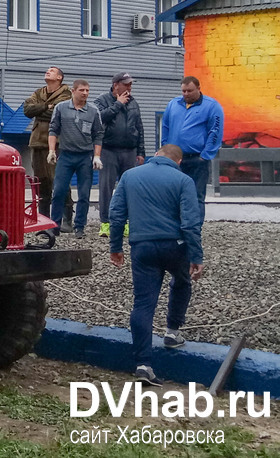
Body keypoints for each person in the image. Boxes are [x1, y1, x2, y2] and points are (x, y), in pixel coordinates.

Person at [108, 144, 205, 387]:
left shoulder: (130, 176)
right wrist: (196, 255)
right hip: (175, 246)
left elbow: (116, 214)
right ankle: (172, 332)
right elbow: (191, 223)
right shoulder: (184, 180)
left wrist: (116, 247)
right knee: (182, 282)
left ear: (157, 154)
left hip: (142, 248)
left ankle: (143, 364)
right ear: (179, 161)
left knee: (143, 303)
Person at [160, 76, 224, 221]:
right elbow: (166, 126)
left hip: (197, 159)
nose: (186, 94)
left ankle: (194, 228)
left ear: (199, 89)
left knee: (196, 196)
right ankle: (175, 226)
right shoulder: (173, 104)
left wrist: (205, 156)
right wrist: (165, 150)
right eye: (183, 91)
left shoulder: (212, 106)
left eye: (189, 91)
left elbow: (215, 131)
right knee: (173, 194)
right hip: (174, 160)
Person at [48, 78, 103, 238]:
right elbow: (53, 130)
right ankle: (54, 225)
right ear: (73, 91)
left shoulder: (93, 111)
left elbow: (98, 134)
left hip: (85, 157)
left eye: (87, 90)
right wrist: (52, 151)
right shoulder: (61, 108)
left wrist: (97, 156)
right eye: (82, 90)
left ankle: (79, 227)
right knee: (58, 191)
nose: (85, 93)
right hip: (65, 155)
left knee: (84, 193)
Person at [94, 72, 146, 237]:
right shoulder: (101, 100)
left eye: (131, 84)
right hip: (108, 149)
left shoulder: (134, 102)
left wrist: (141, 151)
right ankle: (105, 223)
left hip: (129, 151)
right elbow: (98, 119)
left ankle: (126, 223)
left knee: (129, 188)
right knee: (106, 188)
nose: (129, 88)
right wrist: (117, 104)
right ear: (116, 84)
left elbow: (139, 126)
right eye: (126, 84)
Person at [24, 66, 73, 223]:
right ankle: (43, 217)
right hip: (37, 141)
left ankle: (66, 218)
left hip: (57, 143)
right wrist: (47, 106)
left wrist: (41, 109)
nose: (48, 71)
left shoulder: (66, 94)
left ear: (59, 77)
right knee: (41, 180)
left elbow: (58, 114)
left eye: (52, 70)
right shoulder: (39, 92)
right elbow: (27, 110)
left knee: (59, 179)